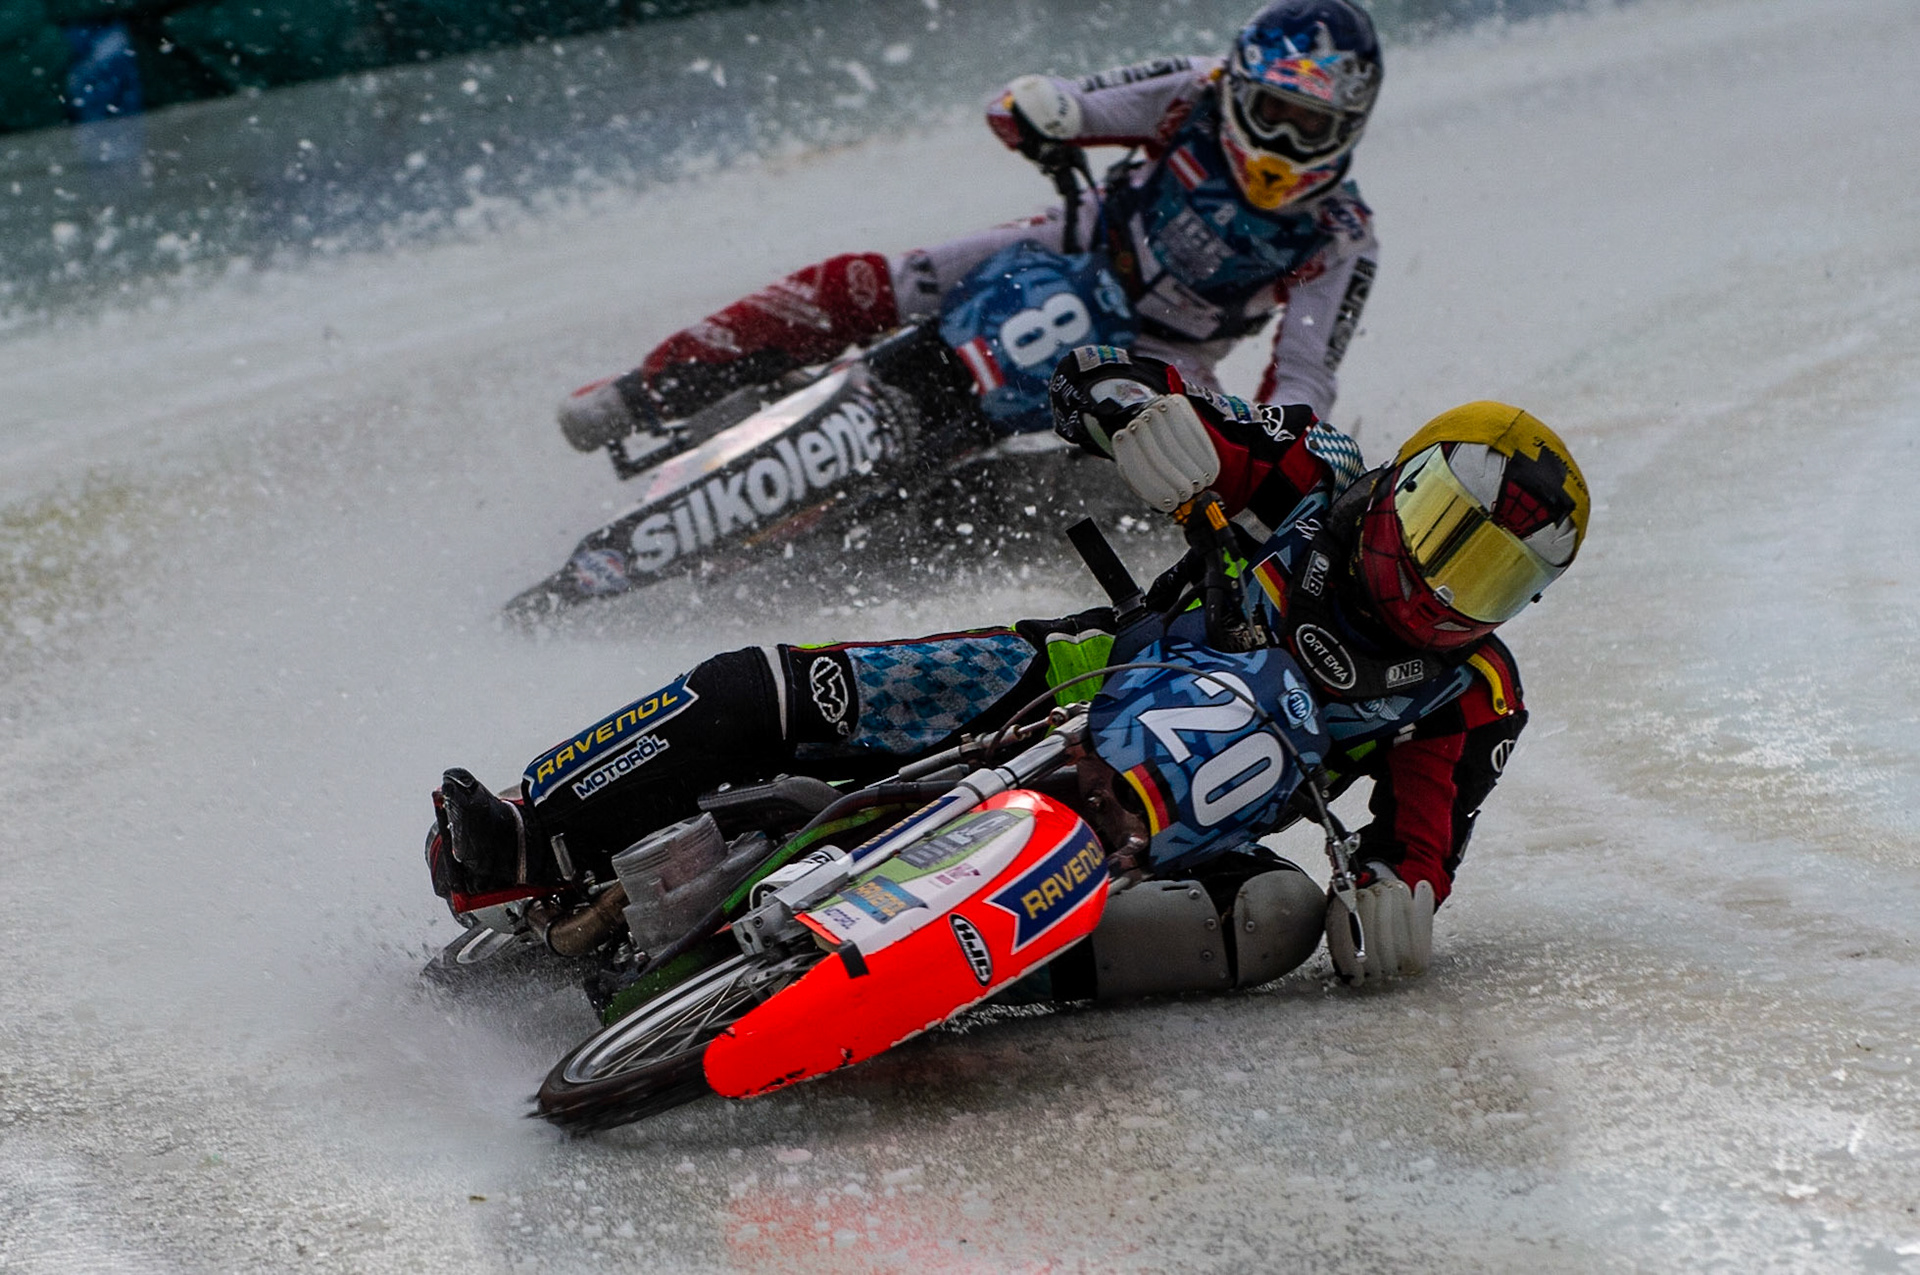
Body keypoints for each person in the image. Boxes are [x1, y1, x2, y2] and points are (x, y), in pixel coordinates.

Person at [430, 346, 1589, 989]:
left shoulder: (1475, 695)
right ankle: (530, 836)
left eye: (1486, 583)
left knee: (1269, 922)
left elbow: (1420, 841)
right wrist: (1137, 412)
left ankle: (931, 980)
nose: (1443, 588)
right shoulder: (1313, 473)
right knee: (763, 686)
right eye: (1444, 538)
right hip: (1072, 674)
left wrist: (1400, 904)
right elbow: (1099, 378)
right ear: (1410, 486)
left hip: (1192, 820)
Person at [558, 0, 1384, 450]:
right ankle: (642, 390)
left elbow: (1308, 376)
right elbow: (1049, 104)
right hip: (1069, 242)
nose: (1281, 141)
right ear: (1239, 87)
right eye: (1272, 111)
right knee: (864, 279)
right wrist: (1038, 109)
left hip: (1170, 351)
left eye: (1308, 125)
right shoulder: (1190, 87)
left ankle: (1007, 520)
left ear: (1349, 126)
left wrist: (1283, 445)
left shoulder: (1340, 234)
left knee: (1183, 465)